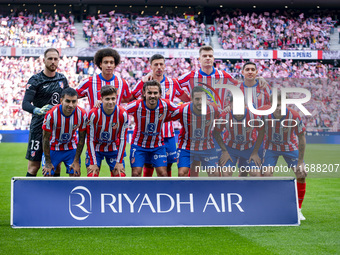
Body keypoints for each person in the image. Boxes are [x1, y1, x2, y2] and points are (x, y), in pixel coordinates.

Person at [249, 92, 307, 220]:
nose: (279, 108)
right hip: (271, 147)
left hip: (289, 147)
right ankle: (270, 205)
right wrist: (254, 152)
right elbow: (260, 133)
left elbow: (301, 138)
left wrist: (301, 161)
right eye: (276, 105)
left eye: (281, 105)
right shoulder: (265, 115)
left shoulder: (294, 116)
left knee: (301, 173)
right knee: (267, 174)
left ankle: (298, 209)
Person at [131, 54, 190, 177]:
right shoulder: (143, 83)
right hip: (147, 134)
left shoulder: (172, 83)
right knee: (147, 165)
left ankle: (164, 192)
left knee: (167, 166)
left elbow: (187, 100)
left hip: (168, 134)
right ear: (150, 66)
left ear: (165, 66)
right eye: (156, 64)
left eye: (161, 64)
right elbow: (130, 99)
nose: (159, 67)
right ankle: (149, 192)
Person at [22, 48, 69, 177]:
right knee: (34, 166)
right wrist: (37, 110)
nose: (53, 62)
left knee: (56, 165)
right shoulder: (35, 80)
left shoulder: (62, 79)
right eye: (50, 59)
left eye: (55, 59)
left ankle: (54, 197)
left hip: (57, 128)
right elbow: (25, 104)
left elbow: (69, 99)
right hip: (39, 128)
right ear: (44, 60)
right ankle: (28, 196)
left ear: (58, 61)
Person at [170, 86, 231, 177]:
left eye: (202, 99)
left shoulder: (213, 109)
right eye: (197, 99)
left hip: (207, 146)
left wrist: (228, 110)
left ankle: (215, 191)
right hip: (186, 147)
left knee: (215, 173)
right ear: (191, 99)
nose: (199, 102)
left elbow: (225, 114)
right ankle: (186, 191)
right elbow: (166, 116)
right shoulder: (182, 110)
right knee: (182, 173)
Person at [126, 80, 178, 177]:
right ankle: (137, 192)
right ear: (144, 93)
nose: (152, 95)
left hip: (157, 146)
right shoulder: (137, 105)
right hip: (139, 145)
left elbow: (181, 110)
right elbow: (120, 112)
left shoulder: (166, 104)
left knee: (163, 174)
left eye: (155, 93)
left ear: (160, 94)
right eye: (149, 93)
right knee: (136, 173)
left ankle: (162, 192)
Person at [42, 88, 87, 177]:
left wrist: (76, 161)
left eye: (74, 101)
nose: (71, 105)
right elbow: (45, 139)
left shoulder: (82, 114)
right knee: (48, 174)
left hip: (71, 148)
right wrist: (47, 162)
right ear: (61, 100)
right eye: (68, 101)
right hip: (53, 148)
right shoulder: (51, 114)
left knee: (75, 174)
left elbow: (82, 139)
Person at [86, 86, 128, 177]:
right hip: (96, 147)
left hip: (113, 147)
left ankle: (114, 191)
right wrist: (93, 162)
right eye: (107, 99)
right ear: (101, 99)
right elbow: (90, 139)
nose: (110, 102)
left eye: (113, 98)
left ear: (116, 98)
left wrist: (119, 162)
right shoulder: (93, 113)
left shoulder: (122, 113)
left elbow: (123, 138)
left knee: (120, 175)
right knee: (92, 175)